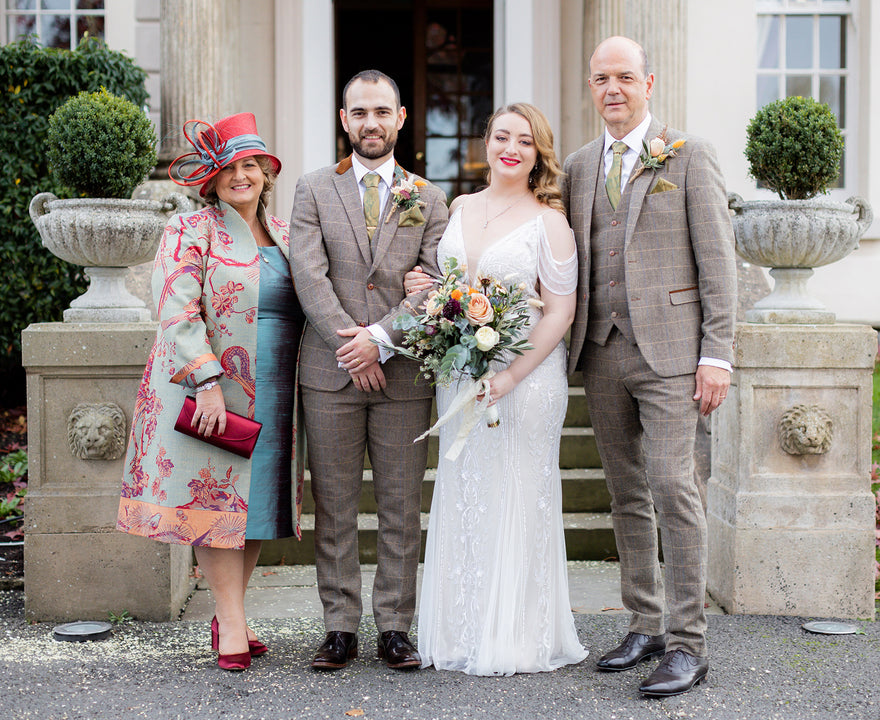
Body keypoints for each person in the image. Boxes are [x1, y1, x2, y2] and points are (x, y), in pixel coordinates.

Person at [562, 37, 737, 696]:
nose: (613, 88)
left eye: (625, 77)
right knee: (626, 494)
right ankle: (645, 622)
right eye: (601, 77)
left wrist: (716, 354)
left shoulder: (688, 157)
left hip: (672, 354)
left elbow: (717, 264)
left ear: (649, 83)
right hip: (601, 351)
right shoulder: (580, 166)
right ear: (592, 85)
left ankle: (690, 643)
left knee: (674, 486)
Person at [116, 112, 303, 672]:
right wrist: (207, 380)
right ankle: (232, 625)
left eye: (251, 165)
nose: (241, 176)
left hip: (276, 386)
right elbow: (175, 307)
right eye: (230, 167)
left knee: (258, 508)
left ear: (266, 174)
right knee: (215, 504)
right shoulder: (190, 230)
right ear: (212, 178)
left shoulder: (289, 235)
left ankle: (233, 614)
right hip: (214, 388)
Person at [405, 102, 588, 676]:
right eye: (502, 136)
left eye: (525, 141)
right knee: (464, 490)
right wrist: (428, 288)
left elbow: (560, 311)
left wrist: (510, 375)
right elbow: (451, 286)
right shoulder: (459, 207)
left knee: (515, 492)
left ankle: (514, 634)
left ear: (539, 155)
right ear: (486, 142)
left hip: (525, 378)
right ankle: (461, 629)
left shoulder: (548, 221)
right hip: (460, 373)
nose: (511, 147)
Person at [289, 70, 448, 671]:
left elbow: (432, 282)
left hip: (404, 374)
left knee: (401, 508)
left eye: (382, 112)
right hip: (329, 374)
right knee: (333, 506)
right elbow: (310, 276)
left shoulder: (430, 198)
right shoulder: (311, 190)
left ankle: (395, 628)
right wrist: (351, 345)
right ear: (343, 118)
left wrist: (379, 341)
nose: (371, 123)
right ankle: (338, 628)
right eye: (360, 112)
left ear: (401, 118)